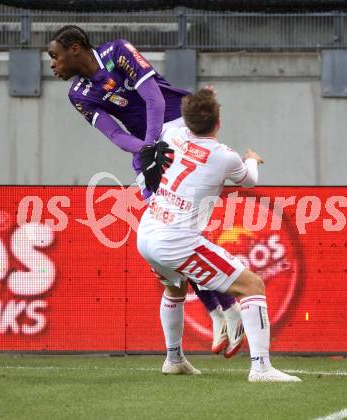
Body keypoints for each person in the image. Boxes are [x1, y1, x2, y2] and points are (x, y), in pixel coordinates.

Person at [47, 25, 244, 356]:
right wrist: (144, 150)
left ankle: (228, 310)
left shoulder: (118, 51)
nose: (52, 64)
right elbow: (114, 134)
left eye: (54, 56)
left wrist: (153, 145)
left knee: (179, 233)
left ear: (75, 48)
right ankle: (218, 311)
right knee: (168, 239)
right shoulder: (78, 94)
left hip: (177, 127)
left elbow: (153, 98)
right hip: (148, 148)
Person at [136, 89, 302, 382]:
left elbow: (183, 122)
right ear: (219, 121)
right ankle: (261, 368)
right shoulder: (225, 156)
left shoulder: (173, 135)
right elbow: (249, 181)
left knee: (175, 288)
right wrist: (251, 158)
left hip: (147, 233)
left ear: (186, 120)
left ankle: (173, 359)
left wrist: (200, 100)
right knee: (252, 285)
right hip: (176, 241)